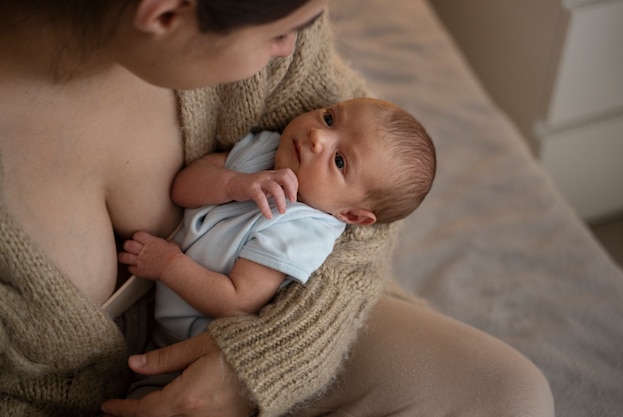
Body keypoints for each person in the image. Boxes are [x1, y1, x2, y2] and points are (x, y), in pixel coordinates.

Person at [0, 1, 554, 417]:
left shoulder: (278, 34)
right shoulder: (275, 148)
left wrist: (262, 363)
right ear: (166, 15)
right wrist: (235, 184)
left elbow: (375, 203)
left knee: (508, 393)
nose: (292, 46)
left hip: (270, 320)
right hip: (87, 392)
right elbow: (201, 184)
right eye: (281, 33)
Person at [118, 97, 436, 369]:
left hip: (190, 349)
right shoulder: (267, 146)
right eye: (329, 118)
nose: (317, 136)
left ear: (350, 214)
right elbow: (181, 189)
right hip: (154, 302)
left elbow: (236, 300)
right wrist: (233, 183)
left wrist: (168, 264)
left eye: (339, 161)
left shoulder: (303, 230)